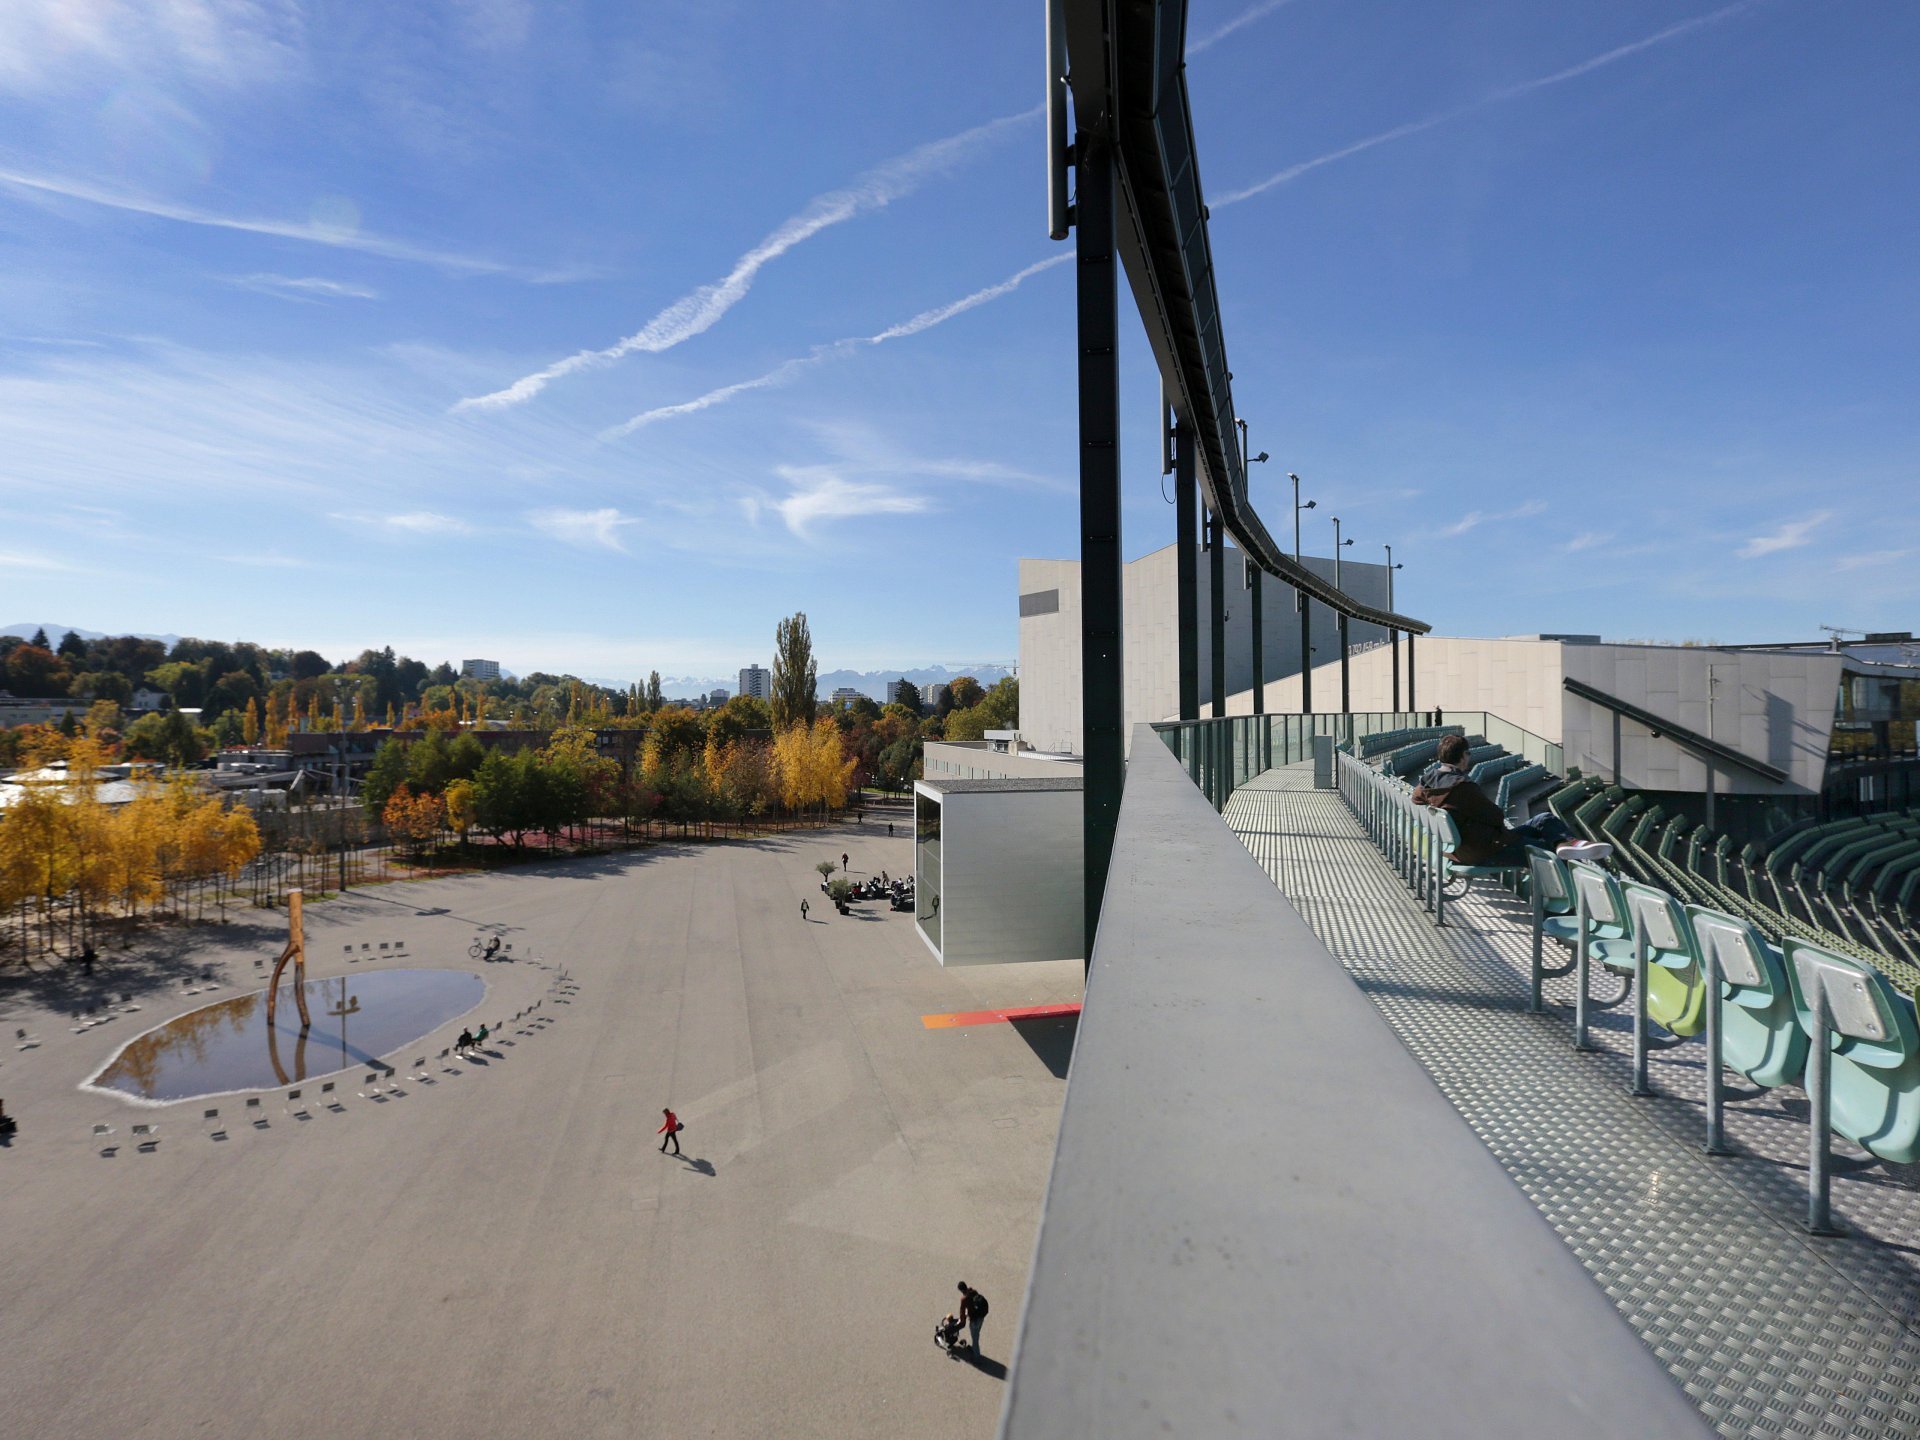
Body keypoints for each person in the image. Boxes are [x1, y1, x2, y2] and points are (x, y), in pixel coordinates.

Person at [1412, 734, 1569, 865]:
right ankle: (1565, 854)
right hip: (1485, 850)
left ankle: (1566, 843)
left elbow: (1416, 798)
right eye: (1468, 753)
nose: (1468, 757)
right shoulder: (1463, 787)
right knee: (1550, 852)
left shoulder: (1429, 781)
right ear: (1462, 757)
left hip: (1462, 847)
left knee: (1543, 819)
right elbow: (1496, 817)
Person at [957, 1282, 989, 1355]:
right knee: (976, 1334)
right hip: (981, 1317)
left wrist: (961, 1322)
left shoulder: (964, 1299)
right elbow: (972, 1306)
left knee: (975, 1338)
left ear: (961, 1290)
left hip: (974, 1320)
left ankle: (977, 1357)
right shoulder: (973, 1291)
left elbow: (962, 1312)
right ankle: (974, 1348)